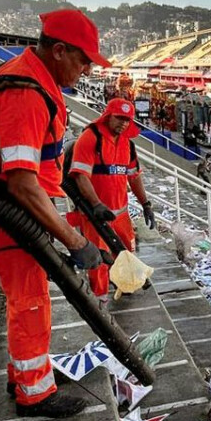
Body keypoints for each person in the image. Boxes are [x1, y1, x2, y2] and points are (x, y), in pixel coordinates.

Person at [0, 9, 105, 419]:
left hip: (21, 219)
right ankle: (35, 395)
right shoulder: (27, 92)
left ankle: (28, 374)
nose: (85, 70)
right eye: (83, 61)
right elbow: (23, 184)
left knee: (28, 302)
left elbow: (39, 166)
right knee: (30, 305)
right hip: (13, 220)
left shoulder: (34, 80)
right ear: (59, 50)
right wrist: (75, 240)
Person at [68, 97, 156, 301]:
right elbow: (81, 175)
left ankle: (124, 285)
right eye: (119, 118)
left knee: (125, 254)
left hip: (120, 214)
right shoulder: (91, 138)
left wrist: (146, 204)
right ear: (108, 116)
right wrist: (96, 205)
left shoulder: (128, 145)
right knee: (97, 259)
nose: (123, 123)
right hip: (94, 215)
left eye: (127, 120)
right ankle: (99, 298)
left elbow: (134, 177)